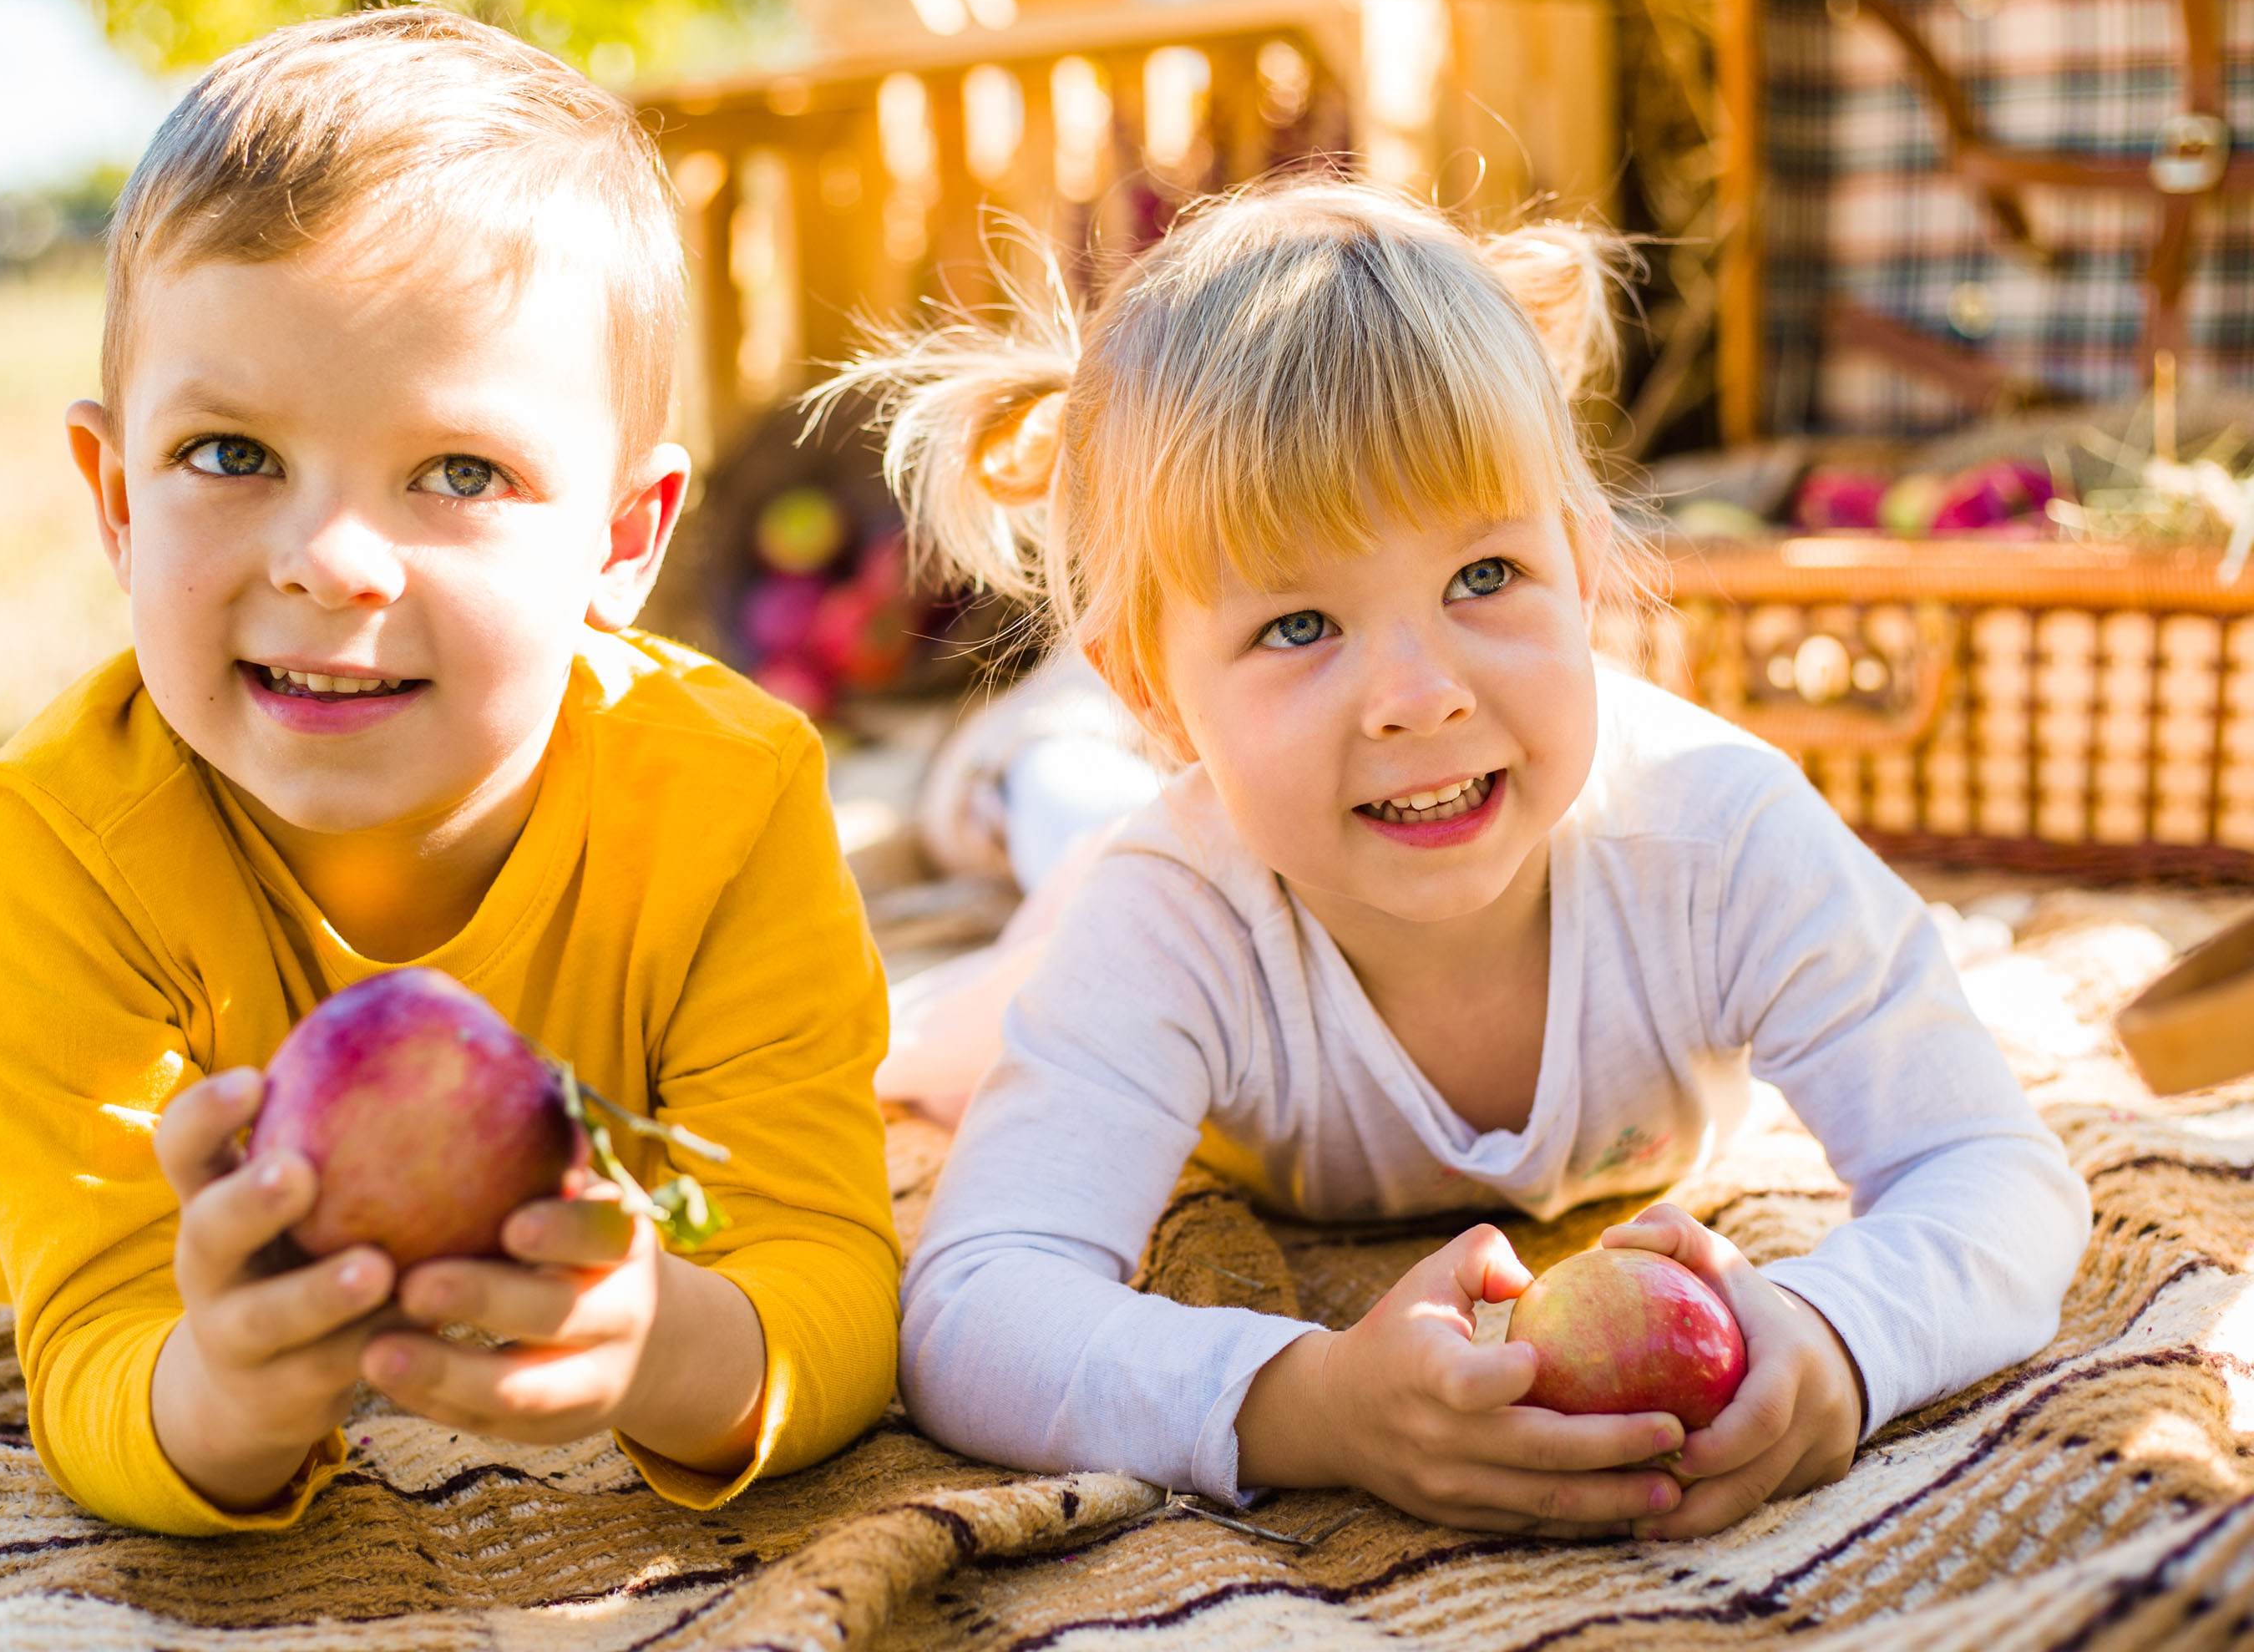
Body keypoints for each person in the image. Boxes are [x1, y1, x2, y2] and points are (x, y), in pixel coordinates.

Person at [838, 181, 2089, 1540]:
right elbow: (974, 1308)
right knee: (934, 1037)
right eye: (1301, 622)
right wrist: (1308, 1404)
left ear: (1587, 559)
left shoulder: (1721, 839)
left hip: (1228, 844)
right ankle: (1022, 773)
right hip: (1136, 888)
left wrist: (1847, 1340)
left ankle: (1048, 777)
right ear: (1152, 688)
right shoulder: (1172, 919)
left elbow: (1992, 1168)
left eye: (1485, 577)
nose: (1419, 696)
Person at [0, 8, 899, 1536]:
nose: (329, 563)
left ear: (625, 540)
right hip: (92, 1239)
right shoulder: (57, 846)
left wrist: (665, 1346)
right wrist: (221, 1399)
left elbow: (829, 1277)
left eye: (459, 475)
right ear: (116, 496)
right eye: (232, 456)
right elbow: (98, 1353)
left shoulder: (725, 799)